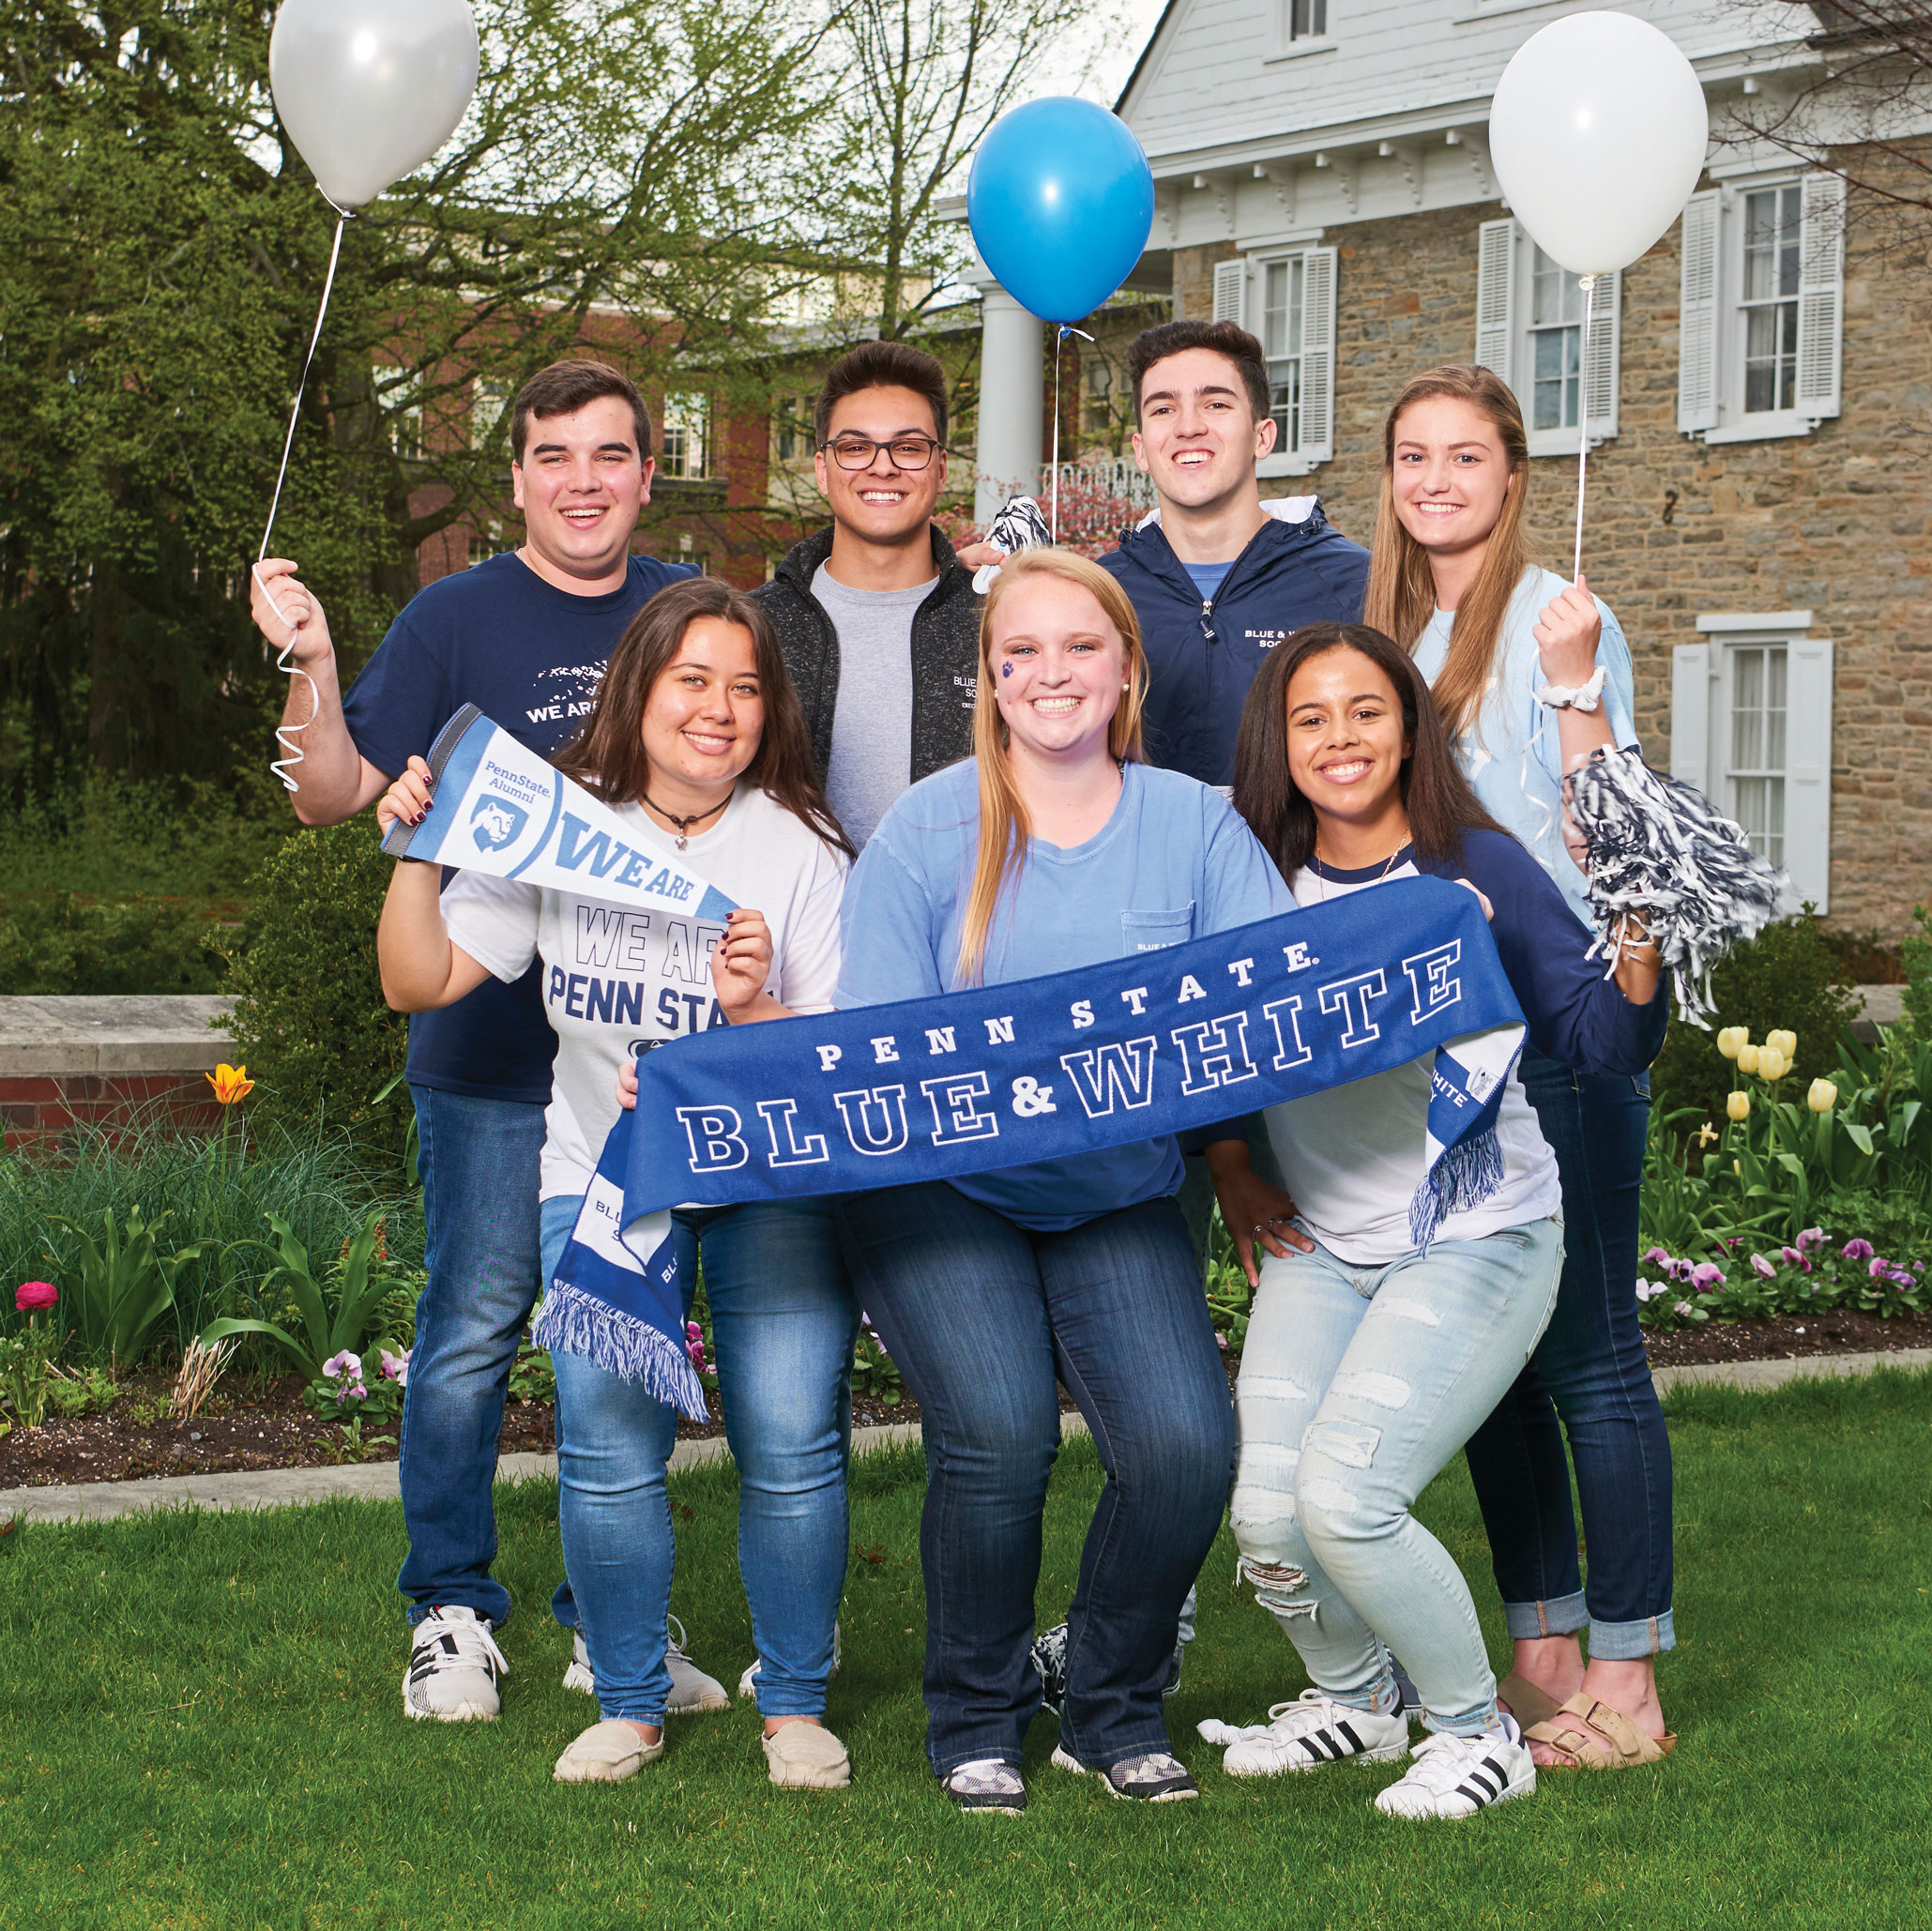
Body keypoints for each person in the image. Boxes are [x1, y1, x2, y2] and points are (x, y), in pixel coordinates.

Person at [248, 359, 732, 1725]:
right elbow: (332, 792)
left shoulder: (687, 614)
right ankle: (449, 1607)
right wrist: (317, 669)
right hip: (480, 1037)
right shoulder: (453, 616)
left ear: (648, 472)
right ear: (515, 476)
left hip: (641, 1057)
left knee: (625, 1319)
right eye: (553, 455)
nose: (582, 479)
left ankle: (608, 1612)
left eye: (610, 455)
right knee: (471, 1322)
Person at [372, 577, 860, 1789]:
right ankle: (630, 1698)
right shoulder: (559, 824)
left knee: (792, 1436)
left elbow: (844, 1058)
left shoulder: (800, 848)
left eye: (745, 687)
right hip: (599, 1170)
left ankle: (793, 1702)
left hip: (766, 1184)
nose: (720, 709)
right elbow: (416, 978)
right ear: (636, 689)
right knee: (601, 1441)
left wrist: (751, 1015)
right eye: (692, 679)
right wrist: (416, 852)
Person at [831, 547, 1295, 1815]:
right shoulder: (928, 827)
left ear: (1125, 668)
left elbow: (1279, 1002)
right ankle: (972, 1713)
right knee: (997, 1434)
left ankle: (1108, 1705)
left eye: (1077, 647)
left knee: (1186, 1449)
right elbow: (874, 1054)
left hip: (1113, 1191)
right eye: (1017, 652)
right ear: (986, 680)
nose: (1050, 674)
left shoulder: (1193, 822)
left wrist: (1432, 929)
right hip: (941, 1193)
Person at [1199, 623, 1667, 1818]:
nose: (1340, 738)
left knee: (1347, 1501)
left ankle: (1476, 1734)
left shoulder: (1478, 867)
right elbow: (1190, 1045)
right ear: (1278, 741)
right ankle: (1359, 1698)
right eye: (1311, 718)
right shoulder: (1251, 872)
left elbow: (1605, 1043)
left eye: (1366, 710)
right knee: (1265, 1515)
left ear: (1407, 726)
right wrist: (1232, 1165)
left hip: (1479, 1233)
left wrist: (1638, 927)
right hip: (1324, 1241)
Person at [1364, 364, 1676, 1770]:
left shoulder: (1563, 617)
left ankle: (1627, 1678)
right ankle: (1540, 1645)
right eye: (1411, 456)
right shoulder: (1387, 627)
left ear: (1511, 472)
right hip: (1443, 1039)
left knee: (1593, 1356)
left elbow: (1620, 836)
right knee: (1490, 1366)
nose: (1434, 478)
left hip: (1558, 1027)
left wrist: (1571, 695)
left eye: (1463, 456)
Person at [1098, 318, 1371, 789]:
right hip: (1144, 858)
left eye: (1216, 403)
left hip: (1297, 861)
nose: (1188, 427)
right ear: (1141, 450)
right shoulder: (1097, 594)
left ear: (1262, 436)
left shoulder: (1355, 583)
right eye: (1163, 409)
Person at [754, 341, 988, 851]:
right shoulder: (754, 626)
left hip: (965, 925)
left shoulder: (998, 623)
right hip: (791, 928)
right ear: (822, 469)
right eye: (856, 447)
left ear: (941, 468)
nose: (882, 468)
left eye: (908, 447)